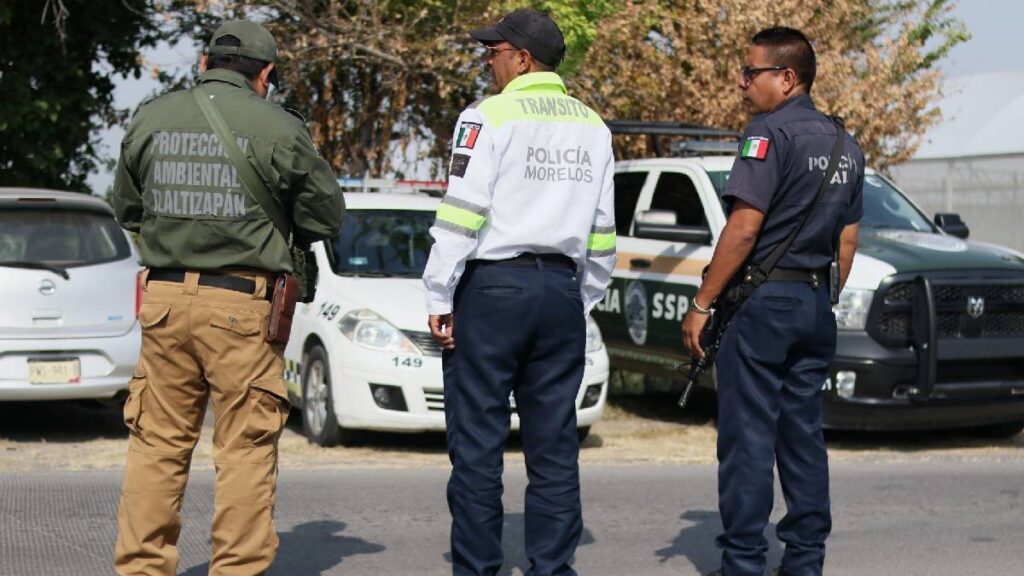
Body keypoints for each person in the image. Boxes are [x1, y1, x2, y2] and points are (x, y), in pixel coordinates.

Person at [110, 20, 345, 576]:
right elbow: (327, 217)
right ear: (265, 75)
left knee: (157, 446)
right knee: (244, 450)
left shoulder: (151, 118)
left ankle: (142, 568)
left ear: (203, 64)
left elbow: (127, 208)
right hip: (243, 307)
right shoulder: (279, 128)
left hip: (163, 301)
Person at [422, 9, 616, 576]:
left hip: (493, 291)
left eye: (496, 49)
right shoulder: (593, 125)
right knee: (555, 445)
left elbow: (461, 213)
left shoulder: (488, 116)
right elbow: (603, 232)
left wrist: (438, 294)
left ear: (524, 58)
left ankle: (478, 568)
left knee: (479, 443)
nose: (488, 57)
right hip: (560, 291)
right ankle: (553, 568)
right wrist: (580, 299)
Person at [681, 27, 864, 576]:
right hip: (813, 304)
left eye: (751, 72)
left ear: (787, 78)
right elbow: (848, 241)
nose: (742, 83)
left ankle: (743, 564)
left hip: (762, 304)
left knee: (748, 440)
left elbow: (742, 229)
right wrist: (822, 300)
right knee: (803, 437)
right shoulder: (843, 143)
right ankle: (806, 563)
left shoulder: (767, 133)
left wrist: (703, 302)